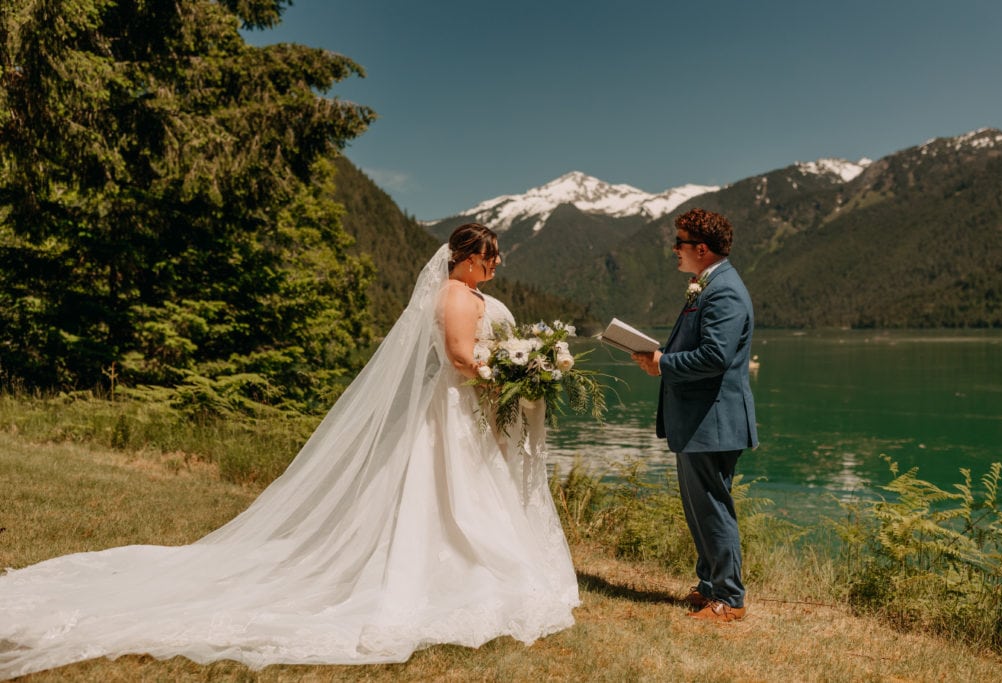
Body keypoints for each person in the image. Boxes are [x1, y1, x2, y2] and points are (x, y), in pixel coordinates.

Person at [0, 224, 579, 679]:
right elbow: (458, 357)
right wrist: (506, 369)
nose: (498, 265)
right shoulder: (455, 294)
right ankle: (462, 569)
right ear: (469, 257)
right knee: (453, 498)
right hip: (456, 411)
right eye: (493, 256)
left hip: (476, 412)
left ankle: (481, 563)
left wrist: (520, 368)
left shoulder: (472, 292)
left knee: (475, 495)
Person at [632, 208, 757, 623]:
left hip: (714, 421)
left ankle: (729, 598)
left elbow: (715, 356)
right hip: (700, 420)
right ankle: (709, 587)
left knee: (713, 507)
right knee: (699, 508)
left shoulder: (724, 291)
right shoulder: (706, 285)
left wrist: (661, 363)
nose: (675, 250)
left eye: (680, 243)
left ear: (701, 249)